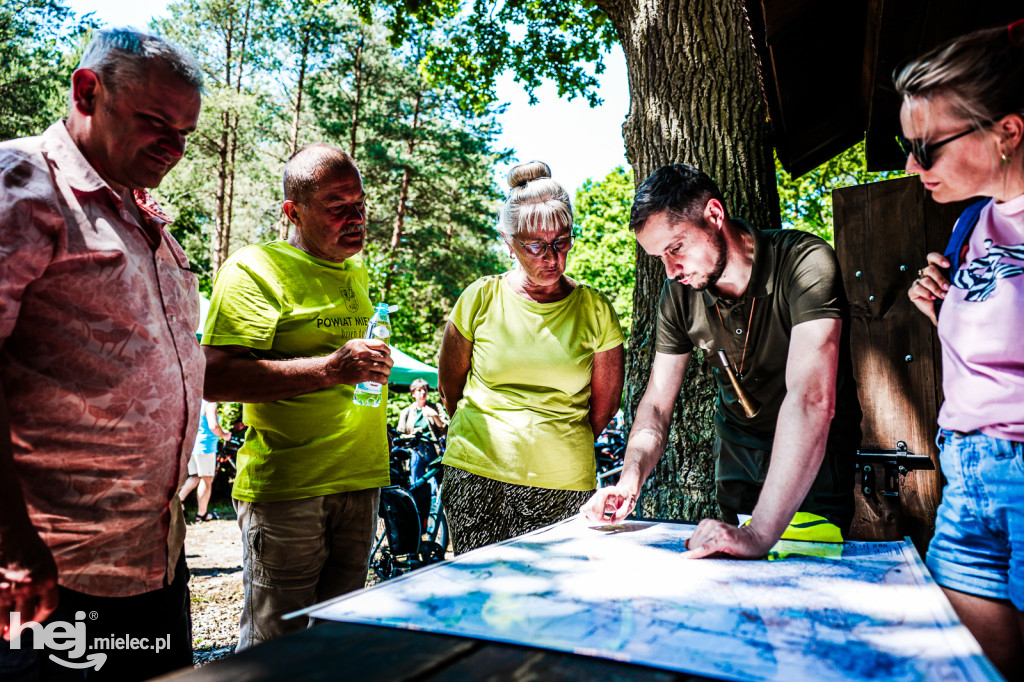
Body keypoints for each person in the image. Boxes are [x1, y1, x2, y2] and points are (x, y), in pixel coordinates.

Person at [0, 28, 203, 680]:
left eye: (186, 134)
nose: (174, 149)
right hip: (53, 572)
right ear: (88, 91)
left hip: (153, 565)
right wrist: (12, 547)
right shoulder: (22, 185)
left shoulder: (140, 211)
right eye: (155, 123)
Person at [580, 164, 862, 559]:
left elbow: (811, 398)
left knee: (806, 581)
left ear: (714, 214)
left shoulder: (805, 262)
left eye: (676, 248)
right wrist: (628, 482)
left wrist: (760, 533)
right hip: (738, 455)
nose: (670, 270)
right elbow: (657, 404)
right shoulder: (677, 294)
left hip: (814, 456)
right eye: (659, 257)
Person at [201, 143, 393, 650]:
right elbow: (213, 377)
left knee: (333, 643)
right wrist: (331, 369)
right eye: (338, 207)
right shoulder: (254, 268)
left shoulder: (355, 272)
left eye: (361, 205)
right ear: (293, 212)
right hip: (288, 489)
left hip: (360, 479)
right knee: (274, 647)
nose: (356, 218)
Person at [897, 20, 1024, 677]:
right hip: (967, 472)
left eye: (929, 146)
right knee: (972, 668)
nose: (912, 166)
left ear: (1008, 130)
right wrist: (941, 306)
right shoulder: (972, 222)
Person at [438, 161, 625, 555]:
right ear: (508, 242)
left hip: (563, 480)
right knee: (479, 595)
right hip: (475, 471)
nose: (552, 257)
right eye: (535, 245)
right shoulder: (480, 297)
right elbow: (449, 387)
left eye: (562, 241)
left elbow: (604, 408)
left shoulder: (594, 308)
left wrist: (552, 444)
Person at [179, 400, 230, 522]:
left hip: (193, 445)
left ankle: (178, 502)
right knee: (206, 479)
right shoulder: (210, 404)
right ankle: (202, 514)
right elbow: (213, 426)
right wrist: (224, 435)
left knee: (195, 477)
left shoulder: (195, 401)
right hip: (206, 446)